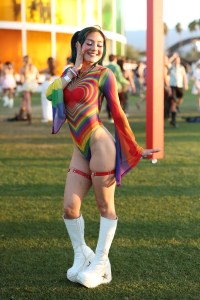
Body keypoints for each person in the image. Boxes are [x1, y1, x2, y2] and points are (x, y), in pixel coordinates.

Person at [46, 26, 160, 289]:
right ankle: (82, 255)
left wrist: (136, 148)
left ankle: (100, 264)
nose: (95, 48)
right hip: (79, 148)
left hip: (100, 145)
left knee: (104, 207)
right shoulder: (67, 75)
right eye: (89, 43)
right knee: (69, 208)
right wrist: (70, 72)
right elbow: (51, 94)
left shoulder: (104, 74)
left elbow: (118, 113)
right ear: (78, 45)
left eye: (99, 44)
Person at [106, 54, 129, 122]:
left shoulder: (106, 67)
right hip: (117, 87)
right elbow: (120, 78)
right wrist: (127, 82)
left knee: (109, 103)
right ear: (115, 59)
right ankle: (116, 117)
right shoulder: (116, 67)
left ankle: (110, 117)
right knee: (117, 103)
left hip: (107, 87)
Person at [169, 55, 188, 127]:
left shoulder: (181, 68)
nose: (177, 61)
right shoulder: (171, 67)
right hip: (173, 86)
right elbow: (167, 62)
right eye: (176, 60)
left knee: (180, 100)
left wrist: (186, 84)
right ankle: (173, 120)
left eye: (178, 60)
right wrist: (173, 57)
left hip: (180, 85)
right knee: (173, 102)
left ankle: (175, 107)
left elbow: (184, 76)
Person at [40, 57, 57, 122]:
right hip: (51, 84)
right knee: (50, 101)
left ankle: (46, 117)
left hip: (46, 84)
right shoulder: (54, 69)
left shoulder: (47, 69)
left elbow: (40, 71)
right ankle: (50, 116)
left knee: (45, 101)